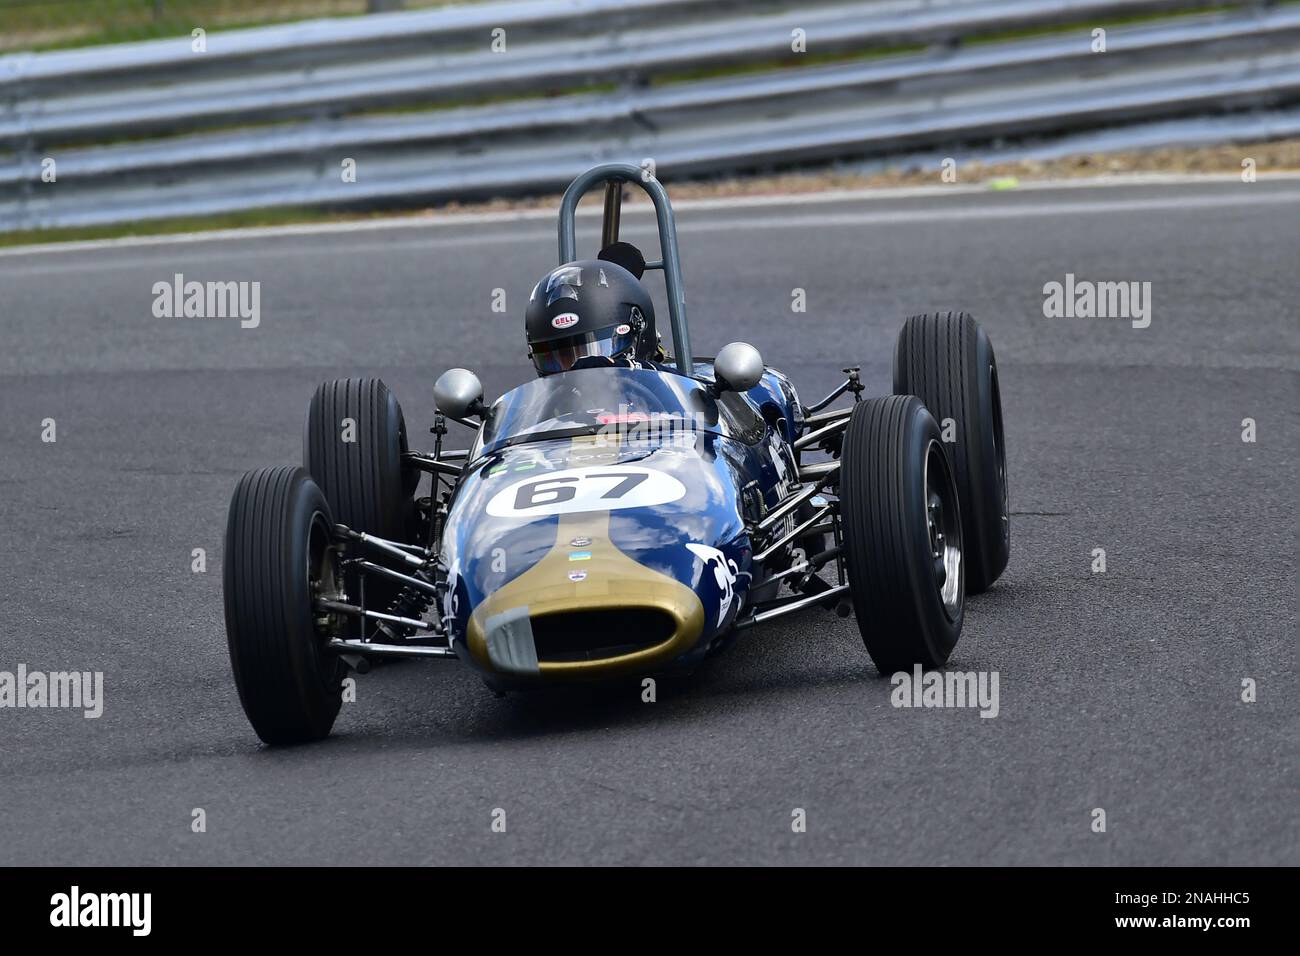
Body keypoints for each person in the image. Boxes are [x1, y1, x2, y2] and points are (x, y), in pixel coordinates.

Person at [524, 259, 667, 375]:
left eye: (596, 351)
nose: (578, 369)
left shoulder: (672, 390)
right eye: (563, 356)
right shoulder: (539, 407)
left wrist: (632, 368)